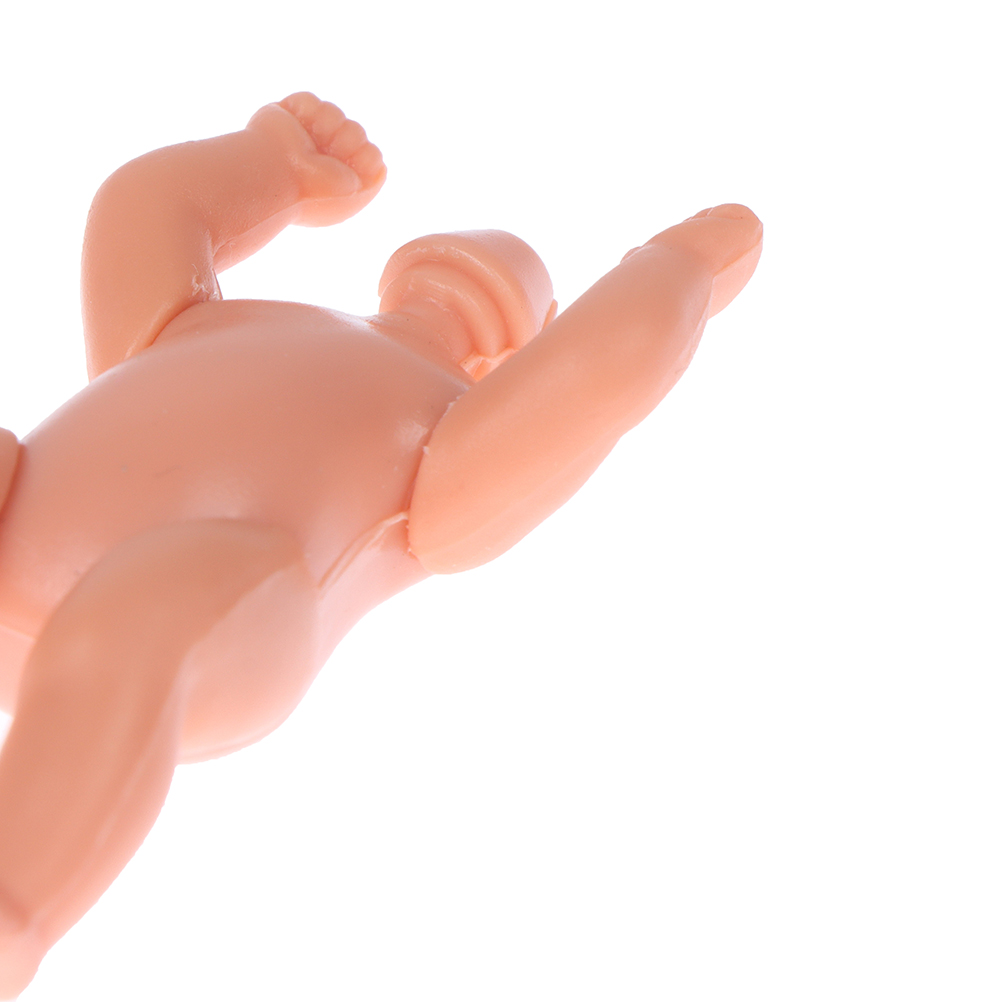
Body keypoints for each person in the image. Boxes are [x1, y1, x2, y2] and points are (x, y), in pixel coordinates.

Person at [0, 92, 762, 996]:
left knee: (134, 616)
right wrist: (276, 163)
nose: (456, 289)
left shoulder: (444, 444)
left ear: (506, 360)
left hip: (225, 587)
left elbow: (590, 382)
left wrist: (673, 274)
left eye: (494, 299)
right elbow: (139, 213)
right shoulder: (209, 327)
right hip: (23, 520)